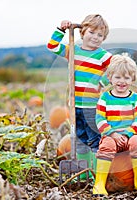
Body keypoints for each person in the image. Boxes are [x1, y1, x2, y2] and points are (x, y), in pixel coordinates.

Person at [47, 14, 112, 178]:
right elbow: (52, 46)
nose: (96, 38)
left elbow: (115, 69)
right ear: (82, 32)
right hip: (74, 105)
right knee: (80, 139)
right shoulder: (72, 50)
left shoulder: (103, 55)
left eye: (100, 35)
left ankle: (98, 173)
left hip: (92, 105)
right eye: (92, 32)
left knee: (95, 139)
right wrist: (61, 30)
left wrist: (102, 82)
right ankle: (83, 174)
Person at [93, 53, 137, 196]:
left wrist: (128, 134)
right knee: (107, 146)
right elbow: (100, 118)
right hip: (111, 135)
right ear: (110, 78)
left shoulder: (134, 98)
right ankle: (99, 183)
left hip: (129, 135)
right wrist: (112, 133)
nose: (122, 81)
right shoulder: (105, 97)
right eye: (118, 77)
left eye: (126, 77)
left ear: (133, 79)